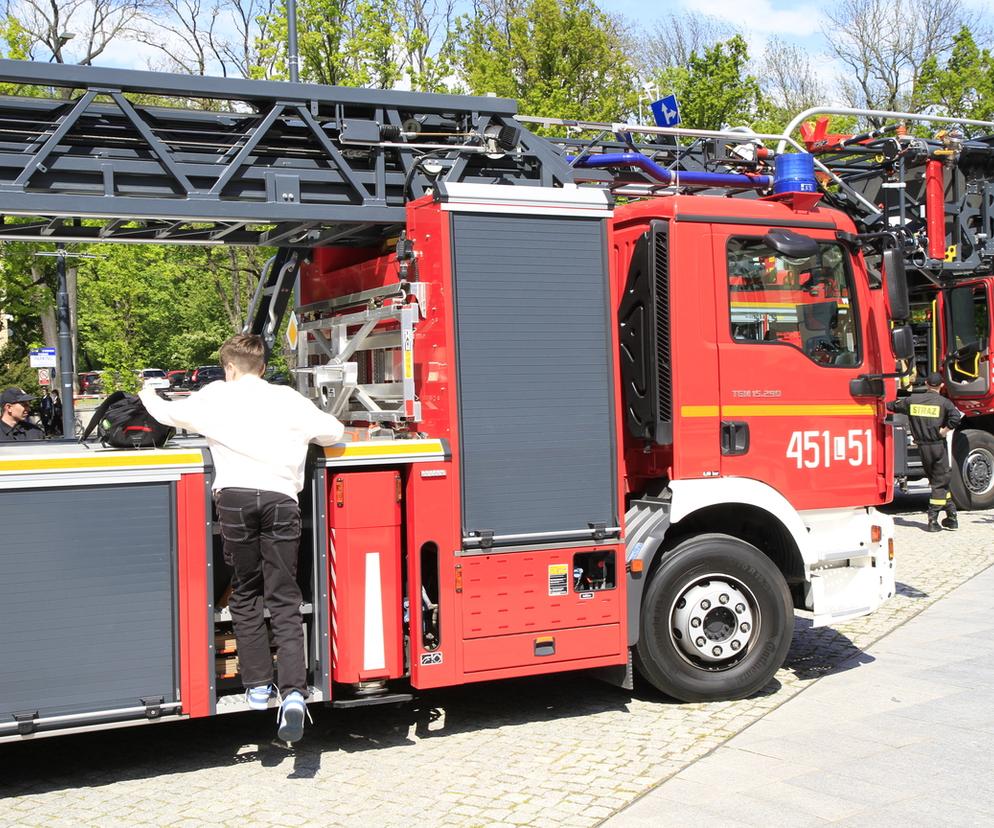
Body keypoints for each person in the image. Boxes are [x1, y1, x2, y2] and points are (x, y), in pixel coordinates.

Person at [139, 334, 344, 743]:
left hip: (233, 499)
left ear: (228, 366)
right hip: (281, 500)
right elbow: (333, 431)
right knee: (283, 595)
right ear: (263, 367)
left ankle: (256, 686)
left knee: (246, 591)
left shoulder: (214, 396)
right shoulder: (287, 398)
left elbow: (163, 414)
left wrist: (147, 390)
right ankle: (294, 694)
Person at [887, 371, 963, 532]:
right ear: (941, 385)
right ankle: (933, 520)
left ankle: (951, 517)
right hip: (937, 447)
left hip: (922, 448)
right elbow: (956, 418)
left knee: (939, 481)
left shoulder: (912, 401)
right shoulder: (944, 402)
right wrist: (945, 430)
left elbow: (892, 406)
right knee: (939, 482)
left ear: (927, 384)